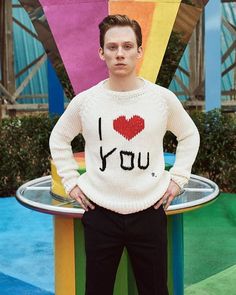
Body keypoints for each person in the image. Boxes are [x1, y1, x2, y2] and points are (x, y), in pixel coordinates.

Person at [49, 14, 200, 295]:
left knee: (155, 289)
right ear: (101, 52)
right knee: (97, 289)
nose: (120, 54)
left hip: (150, 211)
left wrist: (178, 178)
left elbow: (189, 135)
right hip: (100, 212)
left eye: (128, 46)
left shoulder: (161, 99)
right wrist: (71, 181)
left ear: (139, 51)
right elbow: (59, 137)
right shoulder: (86, 102)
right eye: (113, 47)